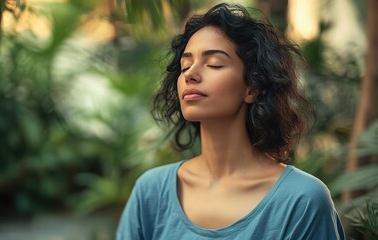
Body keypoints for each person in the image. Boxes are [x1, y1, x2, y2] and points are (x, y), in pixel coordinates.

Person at [116, 3, 345, 239]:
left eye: (214, 63)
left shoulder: (302, 200)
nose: (190, 74)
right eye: (186, 65)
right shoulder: (151, 192)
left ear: (253, 87)